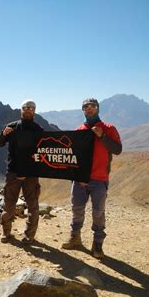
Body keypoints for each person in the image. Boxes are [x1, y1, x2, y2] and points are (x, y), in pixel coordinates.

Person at [61, 98, 122, 258]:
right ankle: (75, 238)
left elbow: (117, 149)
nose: (89, 109)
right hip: (80, 180)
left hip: (99, 179)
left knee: (98, 212)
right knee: (77, 210)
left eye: (92, 106)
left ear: (98, 108)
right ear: (83, 110)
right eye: (86, 107)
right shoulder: (79, 129)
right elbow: (73, 156)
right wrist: (75, 176)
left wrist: (102, 136)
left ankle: (98, 245)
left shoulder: (108, 128)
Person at [0, 99, 43, 244]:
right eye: (25, 107)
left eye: (31, 108)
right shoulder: (11, 127)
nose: (28, 110)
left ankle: (30, 235)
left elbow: (44, 150)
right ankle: (6, 233)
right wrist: (4, 134)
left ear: (34, 111)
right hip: (13, 172)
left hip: (31, 174)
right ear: (21, 110)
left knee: (33, 206)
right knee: (9, 205)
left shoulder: (38, 129)